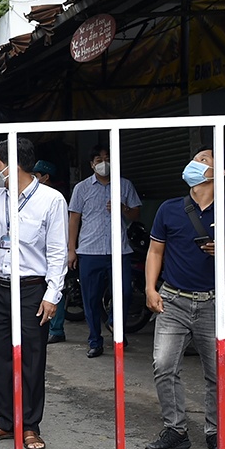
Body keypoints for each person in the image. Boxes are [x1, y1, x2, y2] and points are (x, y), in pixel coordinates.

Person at [0, 137, 68, 449]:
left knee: (31, 357)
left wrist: (52, 294)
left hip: (31, 289)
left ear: (12, 166)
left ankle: (30, 425)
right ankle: (5, 421)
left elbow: (57, 252)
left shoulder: (51, 200)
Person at [144, 147, 225, 449]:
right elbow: (155, 251)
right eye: (196, 158)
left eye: (204, 159)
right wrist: (150, 288)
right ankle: (176, 430)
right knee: (164, 365)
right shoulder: (169, 209)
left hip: (216, 302)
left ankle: (216, 432)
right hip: (173, 300)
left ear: (220, 172)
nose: (195, 163)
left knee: (218, 373)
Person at [68, 144, 142, 358]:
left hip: (119, 250)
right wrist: (71, 250)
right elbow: (74, 219)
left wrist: (124, 209)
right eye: (98, 159)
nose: (103, 163)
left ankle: (114, 323)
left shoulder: (124, 185)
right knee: (90, 298)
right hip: (90, 250)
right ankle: (95, 340)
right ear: (92, 164)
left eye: (107, 158)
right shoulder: (82, 188)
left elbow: (136, 213)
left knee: (125, 293)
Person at [33, 160, 68, 344]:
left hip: (51, 255)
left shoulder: (54, 198)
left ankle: (56, 328)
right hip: (37, 256)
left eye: (37, 176)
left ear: (46, 178)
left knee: (54, 289)